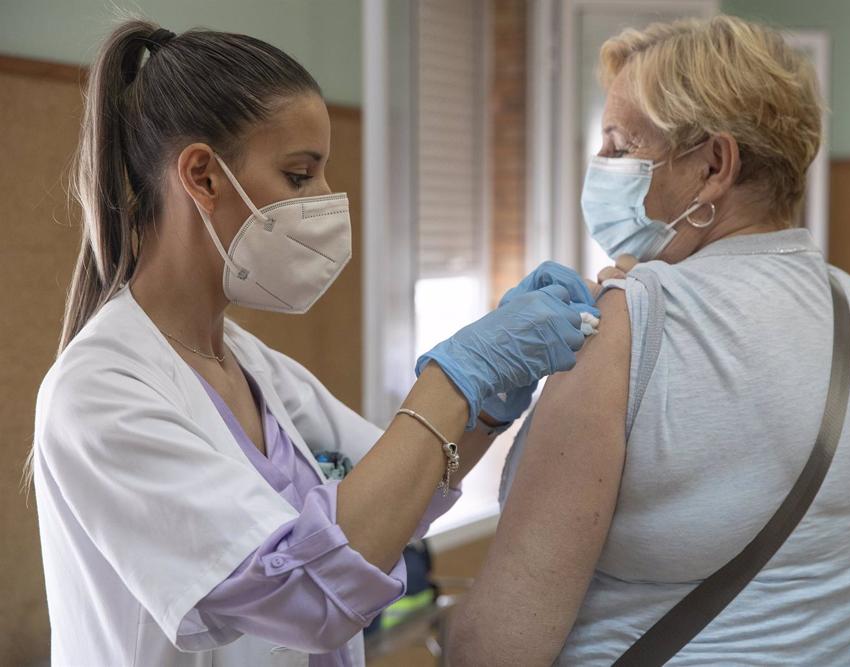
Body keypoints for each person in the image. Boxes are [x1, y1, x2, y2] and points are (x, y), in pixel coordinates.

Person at [31, 21, 598, 667]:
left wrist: (488, 404)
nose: (326, 202)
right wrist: (455, 376)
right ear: (202, 176)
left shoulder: (252, 367)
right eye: (300, 176)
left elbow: (389, 506)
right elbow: (305, 593)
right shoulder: (99, 393)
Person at [448, 15, 850, 666]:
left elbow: (499, 647)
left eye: (619, 145)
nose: (603, 167)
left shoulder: (627, 325)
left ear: (713, 165)